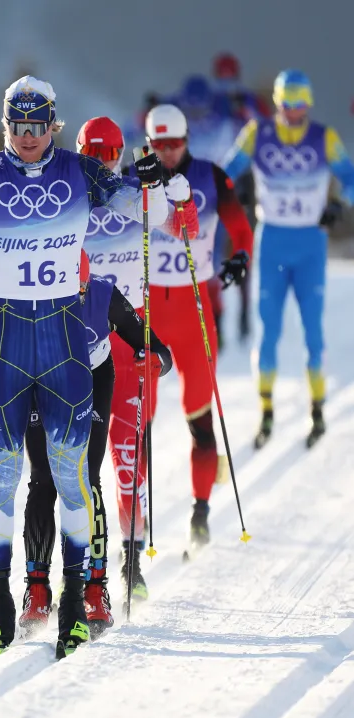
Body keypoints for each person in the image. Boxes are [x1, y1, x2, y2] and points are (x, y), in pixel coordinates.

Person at [0, 75, 173, 658]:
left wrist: (155, 181)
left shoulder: (82, 171)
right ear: (6, 126)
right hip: (2, 343)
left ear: (53, 124)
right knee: (2, 480)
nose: (27, 138)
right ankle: (0, 604)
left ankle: (74, 605)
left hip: (64, 342)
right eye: (17, 126)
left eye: (37, 126)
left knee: (73, 478)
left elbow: (149, 214)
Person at [0, 271, 173, 637]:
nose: (75, 297)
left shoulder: (102, 292)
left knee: (84, 477)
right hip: (43, 380)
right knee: (43, 478)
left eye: (79, 290)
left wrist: (155, 359)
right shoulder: (32, 288)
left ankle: (93, 588)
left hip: (93, 380)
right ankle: (37, 587)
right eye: (70, 291)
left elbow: (157, 347)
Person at [76, 116, 198, 600]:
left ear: (122, 153)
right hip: (80, 329)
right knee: (77, 460)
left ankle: (132, 556)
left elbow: (183, 230)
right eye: (94, 155)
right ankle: (83, 556)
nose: (102, 164)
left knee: (128, 455)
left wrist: (181, 198)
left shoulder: (137, 191)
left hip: (130, 333)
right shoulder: (67, 195)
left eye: (109, 155)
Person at [133, 104, 254, 551]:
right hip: (146, 314)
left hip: (195, 311)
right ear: (148, 143)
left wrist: (240, 258)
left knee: (199, 418)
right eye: (158, 145)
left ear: (186, 141)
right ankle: (135, 518)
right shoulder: (134, 178)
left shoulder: (210, 175)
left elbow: (241, 229)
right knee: (137, 421)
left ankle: (200, 514)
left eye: (174, 144)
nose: (166, 153)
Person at [222, 70, 354, 449]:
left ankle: (317, 410)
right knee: (269, 333)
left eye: (300, 104)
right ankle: (266, 412)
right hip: (274, 240)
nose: (293, 112)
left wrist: (338, 205)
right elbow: (226, 172)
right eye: (286, 104)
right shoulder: (257, 133)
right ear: (277, 103)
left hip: (311, 244)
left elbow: (350, 179)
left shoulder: (324, 138)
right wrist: (235, 187)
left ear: (308, 105)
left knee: (313, 331)